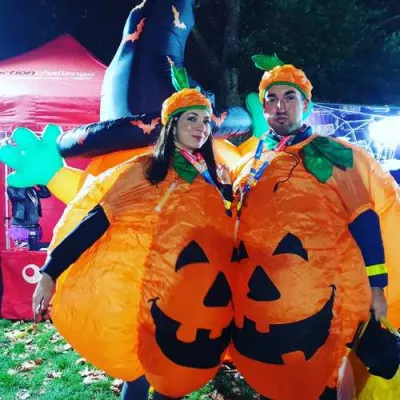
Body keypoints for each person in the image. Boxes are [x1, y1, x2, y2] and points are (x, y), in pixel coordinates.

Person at [32, 77, 234, 399]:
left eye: (206, 120)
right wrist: (50, 273)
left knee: (174, 374)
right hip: (146, 293)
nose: (201, 127)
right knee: (138, 370)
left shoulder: (218, 176)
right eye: (191, 119)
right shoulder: (144, 171)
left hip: (193, 294)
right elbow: (94, 222)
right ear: (172, 125)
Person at [229, 55, 396, 400]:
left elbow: (365, 221)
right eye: (271, 100)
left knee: (321, 381)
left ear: (306, 105)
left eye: (289, 97)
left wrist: (377, 288)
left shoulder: (333, 157)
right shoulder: (253, 161)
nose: (280, 107)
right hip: (263, 304)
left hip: (319, 304)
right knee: (274, 381)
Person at [7, 185, 51, 249]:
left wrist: (38, 182)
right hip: (21, 228)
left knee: (34, 251)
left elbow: (46, 194)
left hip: (34, 227)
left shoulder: (32, 190)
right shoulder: (12, 189)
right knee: (24, 251)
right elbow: (20, 196)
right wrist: (26, 183)